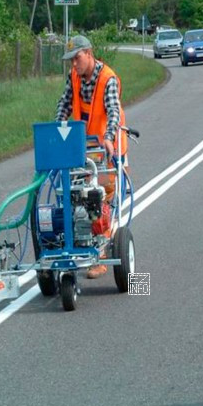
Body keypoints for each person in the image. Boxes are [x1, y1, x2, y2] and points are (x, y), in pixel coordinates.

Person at [55, 35, 128, 279]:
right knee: (74, 197)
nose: (73, 64)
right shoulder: (74, 77)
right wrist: (57, 130)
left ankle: (101, 257)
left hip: (107, 149)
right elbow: (64, 105)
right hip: (81, 149)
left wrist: (108, 137)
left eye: (77, 58)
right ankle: (77, 244)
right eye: (71, 60)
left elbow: (113, 111)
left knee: (99, 201)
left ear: (89, 53)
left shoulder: (107, 78)